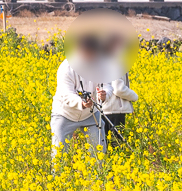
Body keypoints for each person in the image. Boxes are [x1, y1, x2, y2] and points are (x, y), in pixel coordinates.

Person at [50, 16, 137, 156]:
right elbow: (66, 94)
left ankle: (97, 176)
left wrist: (105, 94)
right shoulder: (66, 68)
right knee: (59, 153)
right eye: (88, 54)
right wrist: (82, 103)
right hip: (64, 114)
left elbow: (108, 86)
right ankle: (57, 176)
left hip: (91, 114)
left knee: (98, 152)